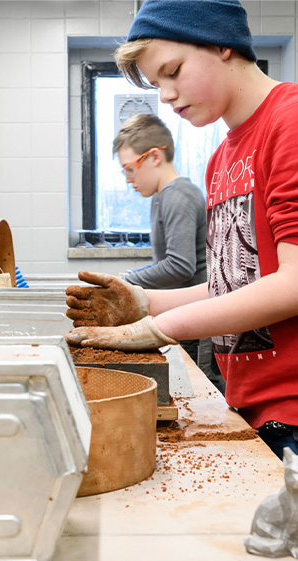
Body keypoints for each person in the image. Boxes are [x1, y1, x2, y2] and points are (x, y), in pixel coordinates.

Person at [64, 1, 298, 561]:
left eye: (172, 72)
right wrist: (142, 301)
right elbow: (236, 283)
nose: (166, 96)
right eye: (156, 84)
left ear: (222, 43)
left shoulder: (297, 123)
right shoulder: (225, 154)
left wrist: (158, 327)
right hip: (267, 410)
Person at [109, 113, 223, 391]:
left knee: (202, 394)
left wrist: (127, 280)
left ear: (155, 157)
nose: (127, 179)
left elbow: (179, 265)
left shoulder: (178, 195)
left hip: (198, 321)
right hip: (186, 313)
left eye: (130, 169)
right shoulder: (163, 195)